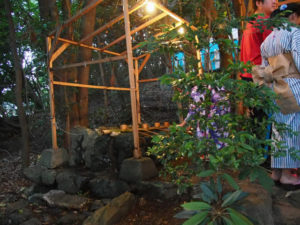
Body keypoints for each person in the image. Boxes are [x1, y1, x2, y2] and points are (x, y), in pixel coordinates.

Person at [253, 3, 300, 188]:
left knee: (278, 129)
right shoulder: (295, 33)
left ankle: (277, 172)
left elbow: (265, 68)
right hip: (293, 86)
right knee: (292, 129)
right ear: (294, 16)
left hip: (275, 87)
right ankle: (288, 174)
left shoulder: (268, 40)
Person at [240, 0, 278, 81]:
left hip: (247, 72)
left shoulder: (251, 20)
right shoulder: (265, 22)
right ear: (258, 3)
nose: (275, 2)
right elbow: (275, 50)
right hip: (260, 74)